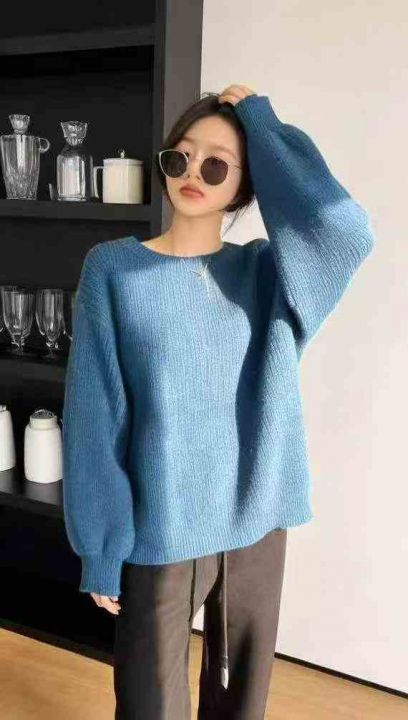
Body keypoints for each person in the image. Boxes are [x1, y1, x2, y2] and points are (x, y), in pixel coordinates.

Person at [62, 84, 375, 719]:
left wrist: (262, 123)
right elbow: (96, 416)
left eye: (216, 164)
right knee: (150, 704)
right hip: (163, 519)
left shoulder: (269, 275)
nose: (192, 173)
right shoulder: (113, 270)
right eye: (180, 157)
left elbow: (344, 232)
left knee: (240, 706)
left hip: (256, 515)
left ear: (244, 186)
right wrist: (101, 542)